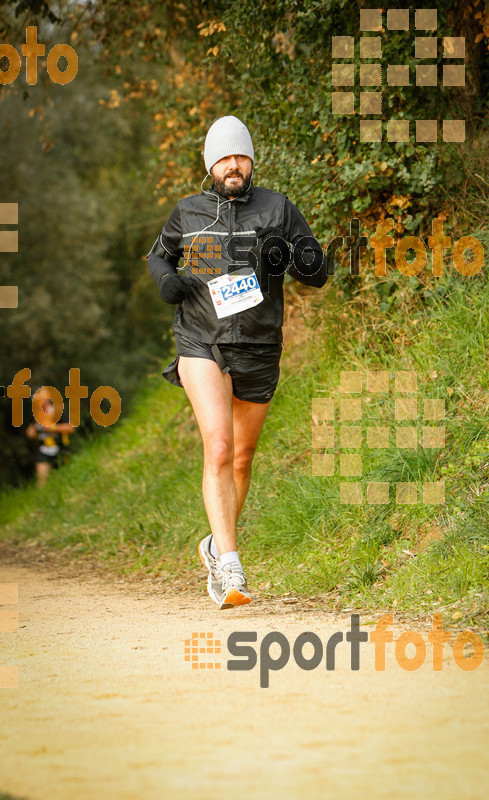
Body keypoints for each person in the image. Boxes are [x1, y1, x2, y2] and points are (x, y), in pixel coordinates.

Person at [147, 115, 327, 609]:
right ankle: (231, 569)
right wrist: (167, 282)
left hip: (259, 346)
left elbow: (318, 271)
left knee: (243, 458)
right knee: (220, 447)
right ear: (211, 165)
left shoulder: (278, 208)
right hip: (200, 339)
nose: (233, 164)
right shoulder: (188, 211)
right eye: (223, 157)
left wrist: (287, 257)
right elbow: (158, 256)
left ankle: (213, 544)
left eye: (240, 156)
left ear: (250, 161)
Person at [26, 388, 75, 488]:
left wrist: (53, 428)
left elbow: (71, 428)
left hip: (60, 447)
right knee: (42, 478)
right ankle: (41, 497)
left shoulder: (58, 411)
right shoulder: (34, 415)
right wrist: (31, 432)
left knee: (63, 476)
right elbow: (31, 430)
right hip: (43, 448)